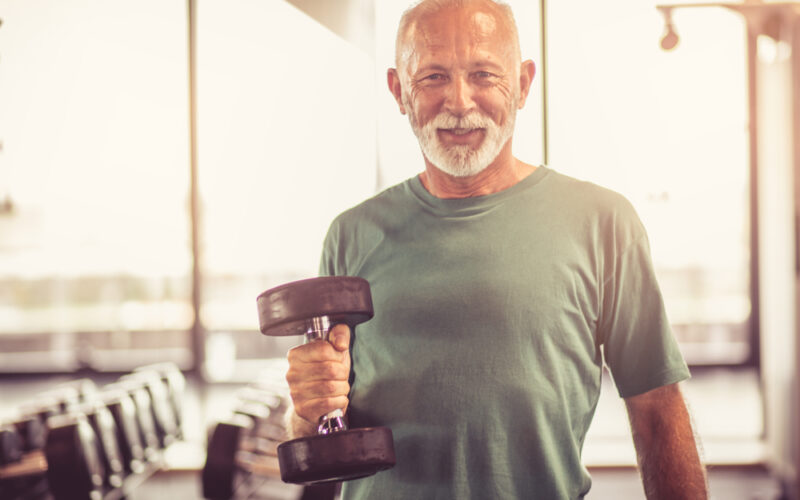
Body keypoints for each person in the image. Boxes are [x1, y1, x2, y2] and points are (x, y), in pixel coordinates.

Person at [285, 0, 708, 498]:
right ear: (398, 90)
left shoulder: (604, 223)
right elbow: (322, 438)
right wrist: (306, 410)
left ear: (523, 84)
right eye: (433, 77)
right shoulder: (350, 235)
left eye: (484, 75)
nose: (460, 101)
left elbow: (658, 408)